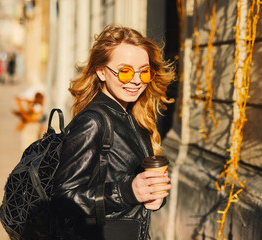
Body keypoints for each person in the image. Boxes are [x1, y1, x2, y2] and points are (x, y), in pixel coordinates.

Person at [52, 25, 175, 240]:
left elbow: (129, 182)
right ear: (101, 71)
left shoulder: (136, 117)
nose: (136, 80)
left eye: (144, 72)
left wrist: (153, 195)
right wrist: (128, 192)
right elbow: (64, 199)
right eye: (125, 71)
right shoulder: (93, 122)